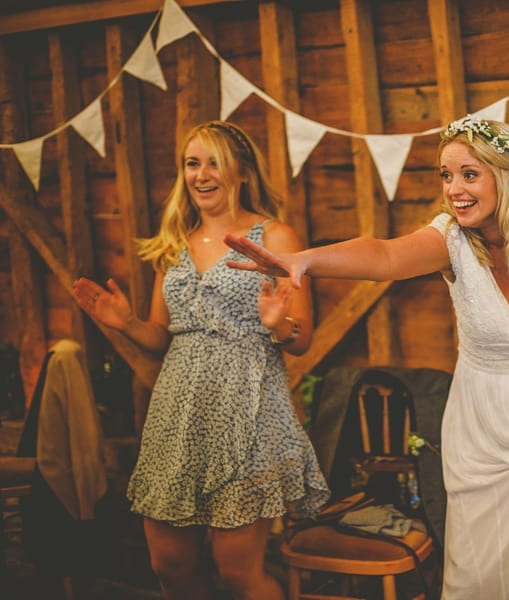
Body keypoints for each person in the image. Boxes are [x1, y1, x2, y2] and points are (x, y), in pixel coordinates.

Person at [226, 115, 509, 599]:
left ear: (507, 174)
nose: (454, 189)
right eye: (446, 175)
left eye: (469, 174)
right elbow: (383, 256)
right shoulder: (450, 241)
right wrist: (306, 261)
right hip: (484, 433)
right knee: (482, 575)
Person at [73, 120, 329, 600]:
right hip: (178, 415)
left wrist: (277, 326)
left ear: (242, 172)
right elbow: (160, 336)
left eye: (215, 162)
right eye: (193, 163)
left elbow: (302, 337)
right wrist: (126, 322)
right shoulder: (175, 242)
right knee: (169, 564)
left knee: (236, 571)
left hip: (248, 411)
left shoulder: (275, 237)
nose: (202, 174)